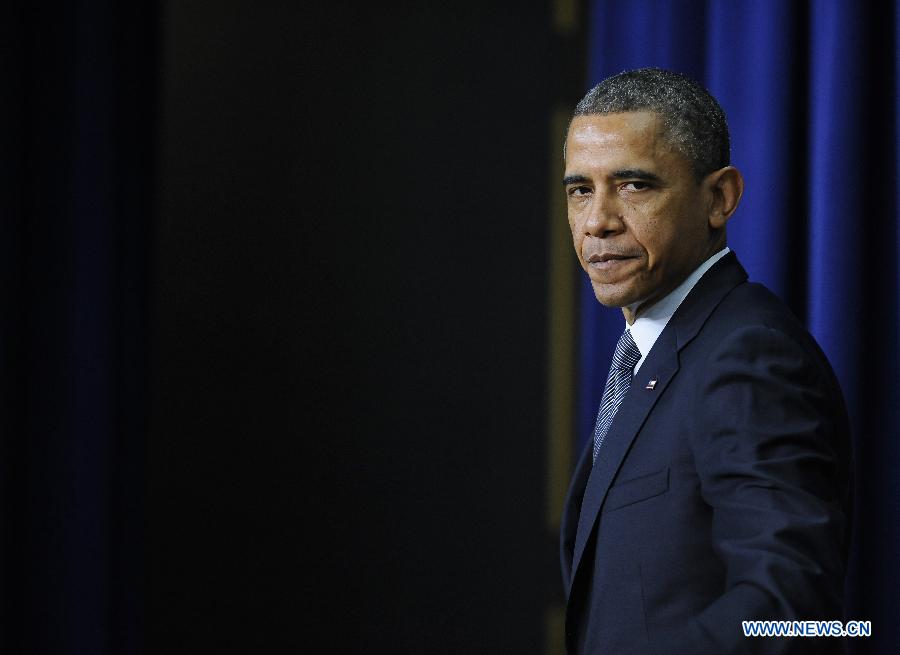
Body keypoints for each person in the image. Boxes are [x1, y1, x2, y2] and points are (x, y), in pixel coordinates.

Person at [559, 68, 853, 654]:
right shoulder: (654, 354)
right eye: (580, 189)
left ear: (719, 198)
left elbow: (795, 611)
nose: (597, 221)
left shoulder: (748, 356)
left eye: (635, 186)